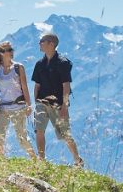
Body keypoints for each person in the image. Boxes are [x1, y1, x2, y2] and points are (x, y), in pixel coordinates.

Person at [31, 32, 84, 167]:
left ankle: (77, 160)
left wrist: (64, 107)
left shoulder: (63, 63)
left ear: (51, 44)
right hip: (42, 103)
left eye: (42, 41)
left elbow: (66, 86)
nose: (40, 43)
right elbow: (37, 85)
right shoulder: (39, 64)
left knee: (65, 134)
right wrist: (36, 102)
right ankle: (41, 160)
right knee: (39, 131)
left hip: (58, 105)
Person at [0, 42, 36, 158]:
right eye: (9, 50)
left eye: (12, 49)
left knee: (22, 138)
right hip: (3, 108)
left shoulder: (18, 68)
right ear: (2, 53)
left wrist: (29, 105)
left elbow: (24, 87)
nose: (12, 52)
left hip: (18, 108)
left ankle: (34, 158)